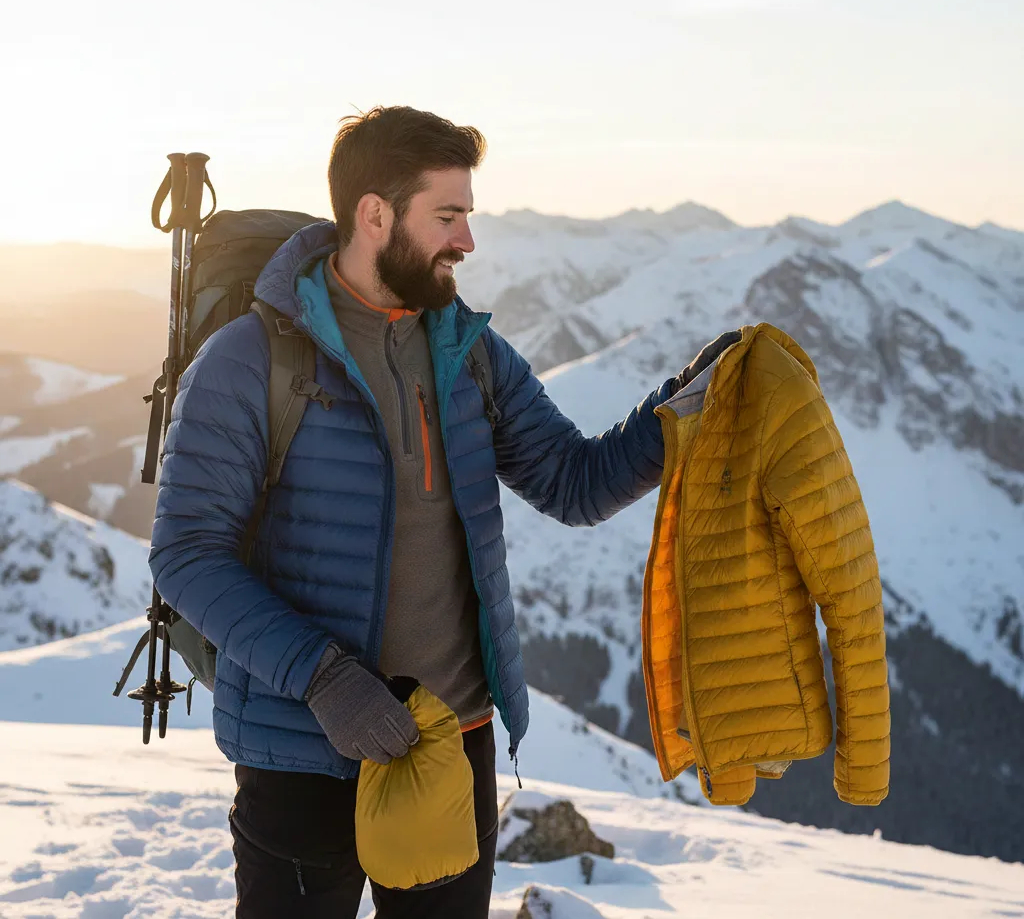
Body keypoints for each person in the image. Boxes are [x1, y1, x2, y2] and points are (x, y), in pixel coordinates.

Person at [149, 105, 740, 918]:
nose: (467, 240)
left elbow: (573, 483)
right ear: (375, 215)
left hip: (454, 743)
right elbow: (186, 554)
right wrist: (326, 681)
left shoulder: (468, 353)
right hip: (304, 755)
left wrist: (681, 410)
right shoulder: (251, 360)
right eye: (449, 216)